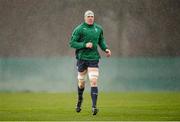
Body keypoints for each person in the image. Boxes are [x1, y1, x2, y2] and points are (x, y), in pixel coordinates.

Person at [69, 10, 111, 115]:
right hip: (81, 58)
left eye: (92, 16)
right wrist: (84, 45)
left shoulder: (98, 29)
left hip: (93, 58)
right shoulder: (79, 29)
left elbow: (101, 41)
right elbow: (72, 43)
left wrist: (106, 49)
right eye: (88, 16)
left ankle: (94, 106)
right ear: (85, 18)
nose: (90, 18)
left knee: (93, 81)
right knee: (81, 83)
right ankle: (79, 100)